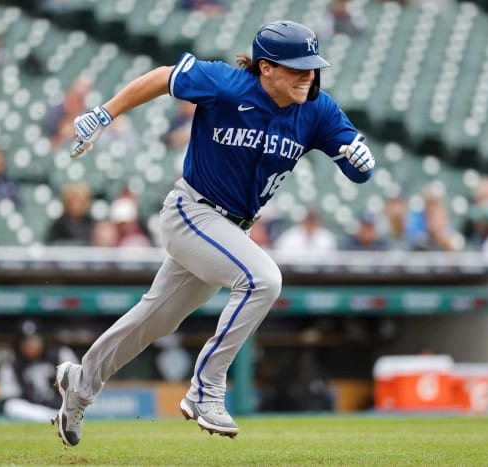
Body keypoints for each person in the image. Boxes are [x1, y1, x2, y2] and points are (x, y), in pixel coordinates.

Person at [55, 20, 374, 445]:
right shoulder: (226, 84)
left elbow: (353, 164)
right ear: (265, 68)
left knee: (153, 321)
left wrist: (361, 162)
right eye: (297, 67)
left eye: (312, 67)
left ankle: (81, 382)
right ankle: (207, 388)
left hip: (231, 229)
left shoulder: (318, 109)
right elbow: (163, 77)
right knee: (263, 280)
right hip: (191, 211)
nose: (308, 75)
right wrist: (104, 113)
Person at [0, 320, 79, 422]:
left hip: (61, 406)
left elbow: (77, 385)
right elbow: (10, 397)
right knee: (11, 406)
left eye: (34, 340)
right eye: (25, 341)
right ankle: (51, 418)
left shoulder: (61, 354)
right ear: (18, 343)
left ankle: (58, 417)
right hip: (34, 410)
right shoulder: (11, 364)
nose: (30, 345)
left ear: (42, 339)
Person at [273, 206, 338, 254]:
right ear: (303, 221)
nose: (310, 224)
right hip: (292, 272)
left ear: (318, 222)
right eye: (308, 220)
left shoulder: (326, 237)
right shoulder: (290, 236)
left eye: (313, 220)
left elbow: (331, 260)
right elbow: (281, 255)